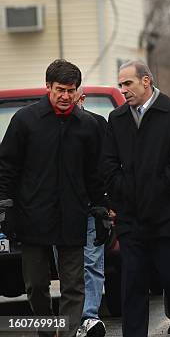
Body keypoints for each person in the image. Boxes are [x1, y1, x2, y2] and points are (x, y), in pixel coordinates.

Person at [0, 59, 105, 337]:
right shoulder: (25, 120)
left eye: (71, 90)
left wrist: (101, 208)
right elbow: (7, 166)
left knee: (73, 284)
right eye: (60, 89)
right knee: (35, 285)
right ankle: (47, 328)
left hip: (72, 215)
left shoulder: (87, 126)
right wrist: (5, 205)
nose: (66, 96)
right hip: (33, 215)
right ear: (48, 87)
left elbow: (95, 173)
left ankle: (67, 333)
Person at [103, 60, 170, 337]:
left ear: (146, 81)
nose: (123, 90)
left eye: (127, 83)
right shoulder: (117, 118)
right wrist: (124, 195)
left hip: (167, 217)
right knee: (132, 285)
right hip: (132, 220)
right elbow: (108, 164)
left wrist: (156, 193)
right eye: (120, 85)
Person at [73, 88, 108, 337]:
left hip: (91, 207)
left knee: (92, 262)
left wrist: (106, 204)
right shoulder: (52, 125)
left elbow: (106, 165)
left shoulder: (97, 124)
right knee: (67, 266)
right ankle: (70, 317)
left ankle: (90, 316)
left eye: (72, 93)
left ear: (81, 98)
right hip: (60, 209)